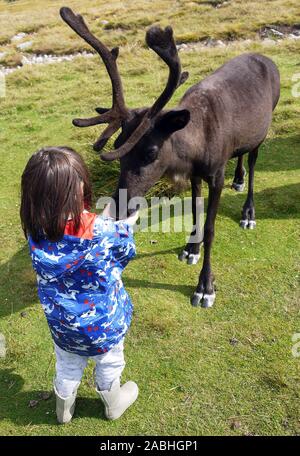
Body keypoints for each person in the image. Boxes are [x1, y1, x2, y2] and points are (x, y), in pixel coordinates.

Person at [20, 146, 139, 424]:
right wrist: (125, 224)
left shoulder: (36, 234)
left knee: (67, 365)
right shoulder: (104, 231)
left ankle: (64, 410)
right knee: (109, 362)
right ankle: (113, 404)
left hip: (62, 325)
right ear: (78, 189)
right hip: (103, 325)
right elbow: (124, 251)